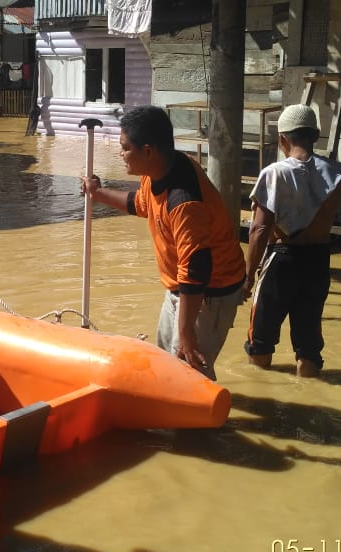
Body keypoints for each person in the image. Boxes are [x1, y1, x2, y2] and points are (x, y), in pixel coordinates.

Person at [80, 105, 246, 380]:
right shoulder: (159, 171)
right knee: (167, 364)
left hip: (208, 293)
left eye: (125, 148)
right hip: (181, 288)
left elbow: (196, 270)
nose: (120, 154)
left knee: (190, 372)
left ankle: (204, 420)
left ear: (147, 151)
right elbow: (140, 204)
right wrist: (97, 193)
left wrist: (186, 332)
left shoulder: (184, 201)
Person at [243, 104, 341, 377]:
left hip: (281, 261)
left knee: (261, 340)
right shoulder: (338, 173)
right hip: (317, 261)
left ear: (283, 139)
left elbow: (258, 230)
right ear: (315, 136)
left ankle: (265, 388)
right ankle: (309, 386)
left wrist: (247, 278)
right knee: (308, 343)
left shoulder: (274, 173)